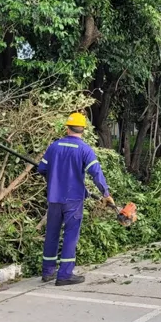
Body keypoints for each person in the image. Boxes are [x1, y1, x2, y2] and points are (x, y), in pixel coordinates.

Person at [37, 112, 113, 286]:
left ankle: (48, 272)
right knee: (71, 235)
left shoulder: (54, 146)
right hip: (73, 199)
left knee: (52, 233)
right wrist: (106, 194)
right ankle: (64, 275)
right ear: (83, 130)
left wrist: (54, 179)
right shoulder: (85, 150)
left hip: (54, 198)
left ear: (67, 127)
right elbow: (96, 173)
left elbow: (41, 169)